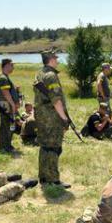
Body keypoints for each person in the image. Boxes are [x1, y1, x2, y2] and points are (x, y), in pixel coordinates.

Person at [33, 50, 71, 188]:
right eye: (56, 58)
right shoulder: (51, 75)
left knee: (44, 146)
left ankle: (43, 177)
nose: (58, 60)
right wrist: (64, 118)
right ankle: (54, 180)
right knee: (54, 147)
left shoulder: (40, 73)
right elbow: (56, 100)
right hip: (51, 117)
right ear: (50, 59)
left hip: (41, 116)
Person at [0, 58, 20, 153]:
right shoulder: (3, 78)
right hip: (7, 106)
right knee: (7, 126)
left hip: (7, 105)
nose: (13, 67)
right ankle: (5, 146)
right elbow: (5, 93)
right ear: (6, 65)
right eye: (12, 65)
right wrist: (13, 105)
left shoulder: (4, 77)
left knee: (7, 126)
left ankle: (5, 145)